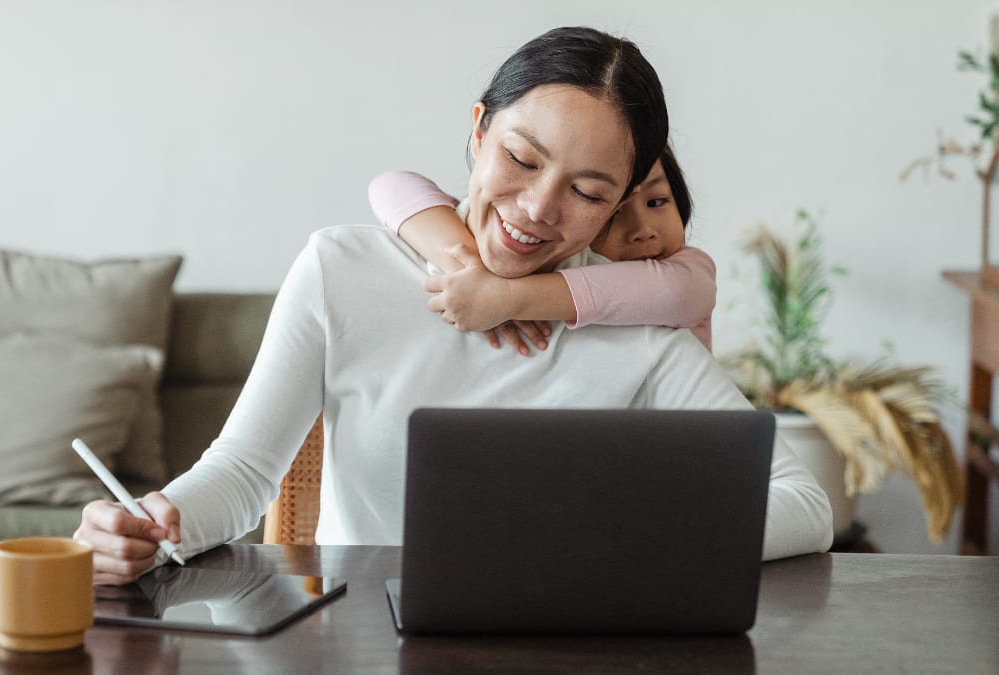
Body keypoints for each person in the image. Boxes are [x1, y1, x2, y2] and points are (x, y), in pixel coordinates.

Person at [75, 26, 833, 585]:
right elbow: (242, 474)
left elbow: (804, 503)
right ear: (477, 132)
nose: (537, 208)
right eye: (522, 158)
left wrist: (637, 537)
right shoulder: (342, 270)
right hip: (359, 643)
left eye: (588, 191)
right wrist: (150, 521)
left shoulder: (637, 327)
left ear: (619, 206)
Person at [367, 145, 715, 354]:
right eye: (614, 214)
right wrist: (469, 270)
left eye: (658, 201)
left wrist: (506, 297)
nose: (643, 231)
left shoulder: (688, 270)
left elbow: (677, 293)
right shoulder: (552, 256)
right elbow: (391, 185)